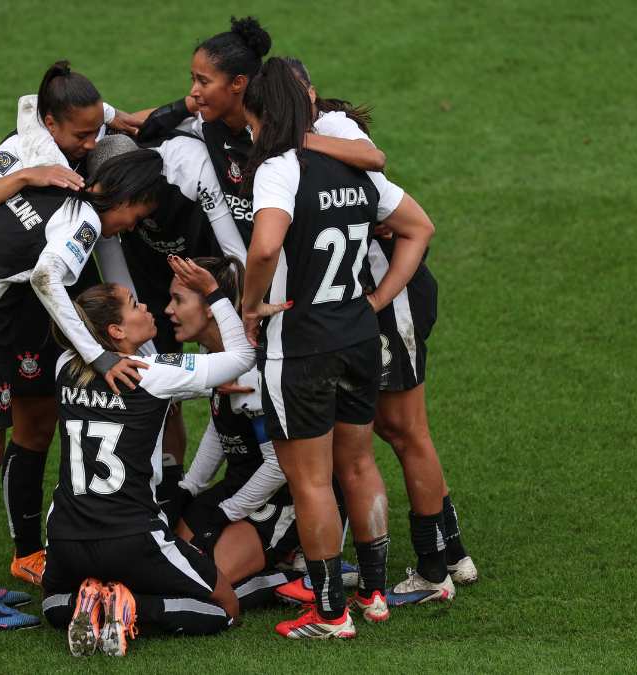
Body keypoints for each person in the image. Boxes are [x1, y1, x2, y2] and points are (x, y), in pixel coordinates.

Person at [0, 146, 166, 630]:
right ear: (128, 196)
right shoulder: (85, 220)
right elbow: (48, 277)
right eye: (139, 214)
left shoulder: (54, 192)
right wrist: (98, 354)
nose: (133, 225)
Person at [239, 58, 436, 639]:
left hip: (299, 346)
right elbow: (419, 227)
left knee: (311, 481)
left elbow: (266, 247)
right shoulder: (351, 167)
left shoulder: (278, 169)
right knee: (358, 462)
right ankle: (374, 593)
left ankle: (329, 613)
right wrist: (375, 301)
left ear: (262, 113)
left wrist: (251, 304)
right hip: (356, 337)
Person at [0, 61, 146, 591]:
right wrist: (27, 177)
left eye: (93, 130)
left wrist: (130, 121)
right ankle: (11, 556)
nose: (89, 141)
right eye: (80, 134)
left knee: (48, 418)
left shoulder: (89, 127)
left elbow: (105, 117)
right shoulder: (22, 150)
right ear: (51, 125)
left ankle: (29, 548)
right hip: (19, 298)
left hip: (52, 285)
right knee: (8, 436)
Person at [287, 57, 479, 599]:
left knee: (403, 431)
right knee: (396, 432)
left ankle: (434, 569)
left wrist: (374, 302)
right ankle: (452, 553)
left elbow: (378, 168)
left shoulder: (330, 128)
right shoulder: (312, 131)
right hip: (383, 296)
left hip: (388, 297)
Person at [41, 257, 276, 656]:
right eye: (135, 304)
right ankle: (135, 606)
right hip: (132, 535)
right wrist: (216, 293)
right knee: (226, 610)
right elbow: (241, 357)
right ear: (116, 331)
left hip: (65, 534)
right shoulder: (153, 372)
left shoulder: (64, 366)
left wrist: (205, 391)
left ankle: (89, 598)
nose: (147, 307)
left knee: (50, 604)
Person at [86, 133, 247, 524]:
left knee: (238, 381)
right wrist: (159, 370)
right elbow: (121, 288)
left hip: (213, 263)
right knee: (167, 395)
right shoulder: (108, 213)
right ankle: (168, 493)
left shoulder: (188, 171)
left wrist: (234, 311)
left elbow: (236, 254)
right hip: (152, 278)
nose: (122, 220)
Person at [136, 16, 384, 244]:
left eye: (203, 81)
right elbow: (144, 128)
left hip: (301, 263)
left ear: (238, 83)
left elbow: (373, 158)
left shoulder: (292, 125)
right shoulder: (208, 123)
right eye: (193, 80)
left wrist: (293, 139)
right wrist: (185, 104)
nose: (194, 89)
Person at [163, 256, 304, 608]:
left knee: (207, 582)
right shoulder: (214, 352)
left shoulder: (252, 370)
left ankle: (297, 574)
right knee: (175, 565)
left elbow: (278, 465)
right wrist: (190, 487)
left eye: (178, 300)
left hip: (280, 495)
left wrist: (227, 512)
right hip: (239, 484)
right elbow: (219, 423)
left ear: (211, 310)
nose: (168, 309)